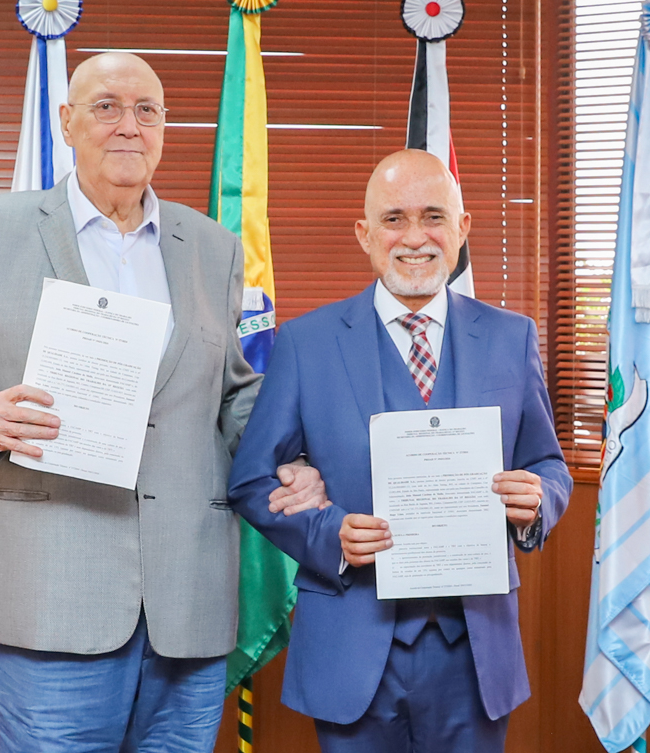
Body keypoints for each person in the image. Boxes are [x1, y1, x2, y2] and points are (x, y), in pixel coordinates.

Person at [0, 52, 324, 753]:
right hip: (51, 592)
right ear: (68, 122)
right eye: (106, 107)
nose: (128, 125)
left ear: (164, 129)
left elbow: (232, 397)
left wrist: (296, 456)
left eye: (147, 110)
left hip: (187, 598)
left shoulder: (213, 248)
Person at [228, 149, 572, 753]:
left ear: (463, 229)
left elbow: (548, 464)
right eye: (393, 219)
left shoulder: (510, 337)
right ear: (364, 234)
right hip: (349, 645)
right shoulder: (306, 343)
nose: (415, 238)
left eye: (434, 216)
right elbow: (253, 479)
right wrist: (329, 533)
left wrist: (539, 498)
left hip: (475, 649)